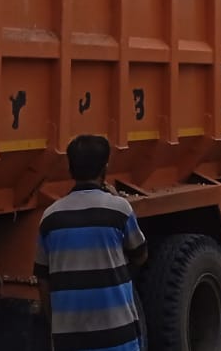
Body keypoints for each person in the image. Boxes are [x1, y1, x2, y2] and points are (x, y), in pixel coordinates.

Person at [35, 134, 147, 351]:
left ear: (70, 169)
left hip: (69, 339)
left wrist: (56, 325)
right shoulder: (119, 209)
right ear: (105, 168)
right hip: (118, 337)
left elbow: (43, 280)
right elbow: (141, 255)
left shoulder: (50, 217)